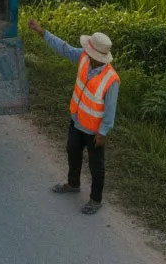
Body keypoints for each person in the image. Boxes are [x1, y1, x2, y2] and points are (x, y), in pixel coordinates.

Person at [27, 19, 120, 215]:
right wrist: (42, 32)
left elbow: (110, 109)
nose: (87, 53)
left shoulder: (111, 80)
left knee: (96, 166)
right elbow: (64, 48)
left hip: (94, 130)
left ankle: (95, 199)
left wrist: (103, 132)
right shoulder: (84, 57)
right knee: (72, 151)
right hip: (77, 120)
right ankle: (73, 183)